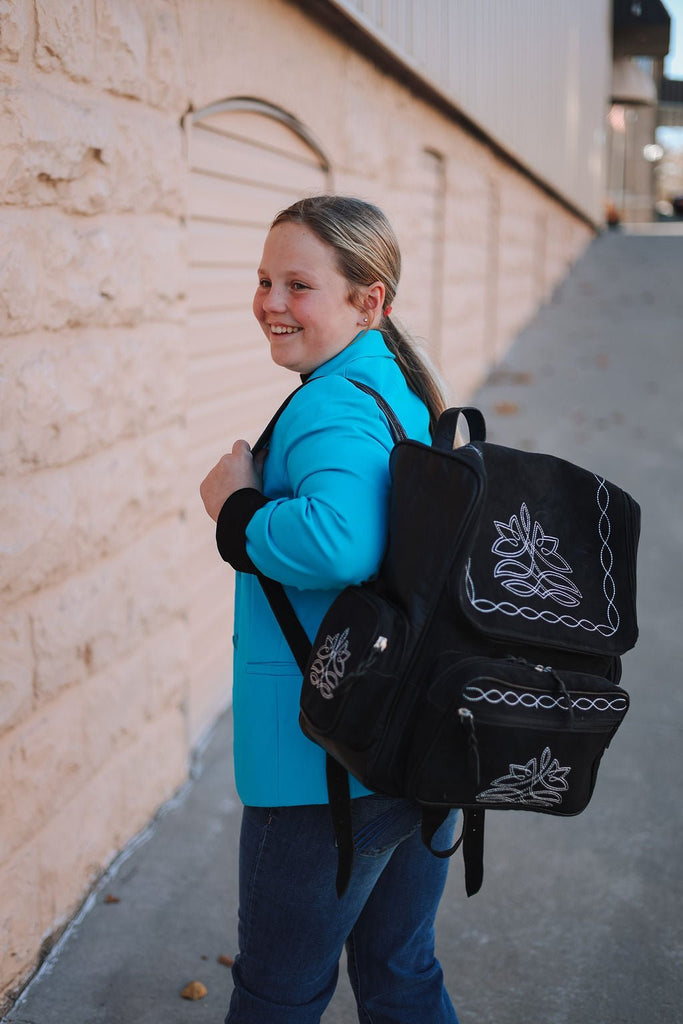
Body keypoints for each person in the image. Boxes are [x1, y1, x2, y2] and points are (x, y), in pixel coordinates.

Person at [200, 195, 459, 1024]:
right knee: (399, 972)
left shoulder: (332, 404)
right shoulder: (391, 384)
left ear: (368, 298)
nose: (271, 302)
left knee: (279, 991)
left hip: (324, 761)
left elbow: (341, 543)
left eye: (298, 285)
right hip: (408, 739)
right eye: (264, 279)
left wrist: (235, 513)